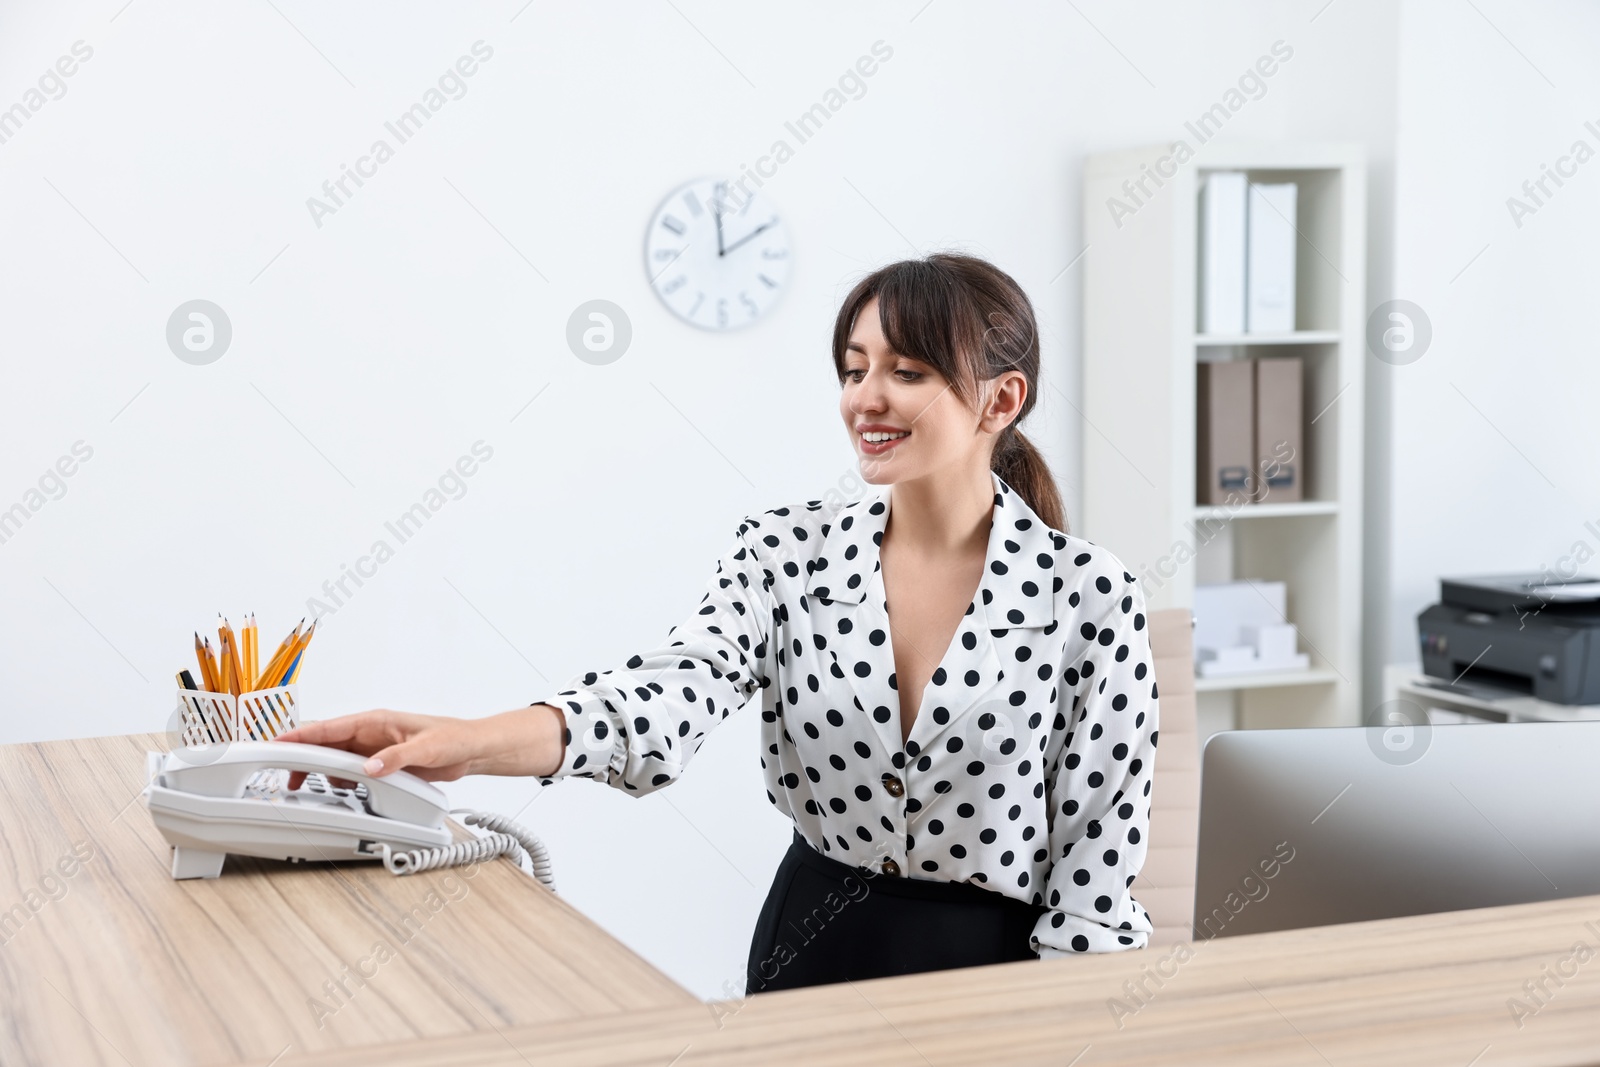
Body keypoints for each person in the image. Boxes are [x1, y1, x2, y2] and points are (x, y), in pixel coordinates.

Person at [274, 252, 1160, 993]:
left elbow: (1094, 879)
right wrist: (471, 739)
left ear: (1001, 401)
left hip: (999, 975)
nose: (867, 398)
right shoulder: (785, 553)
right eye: (854, 369)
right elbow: (659, 702)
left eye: (908, 371)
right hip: (812, 946)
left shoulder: (1091, 599)